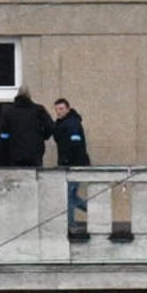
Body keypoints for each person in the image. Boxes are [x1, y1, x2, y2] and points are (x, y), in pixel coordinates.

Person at [53, 98, 91, 228]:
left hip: (75, 165)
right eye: (57, 109)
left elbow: (76, 144)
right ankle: (96, 213)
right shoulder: (61, 123)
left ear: (68, 109)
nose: (59, 112)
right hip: (68, 164)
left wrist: (68, 161)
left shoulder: (72, 123)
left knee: (68, 195)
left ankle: (70, 224)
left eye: (61, 109)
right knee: (72, 196)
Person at [0, 85, 53, 167]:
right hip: (35, 152)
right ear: (29, 96)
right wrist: (42, 137)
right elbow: (50, 127)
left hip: (15, 153)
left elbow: (3, 133)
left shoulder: (9, 112)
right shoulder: (38, 110)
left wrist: (6, 147)